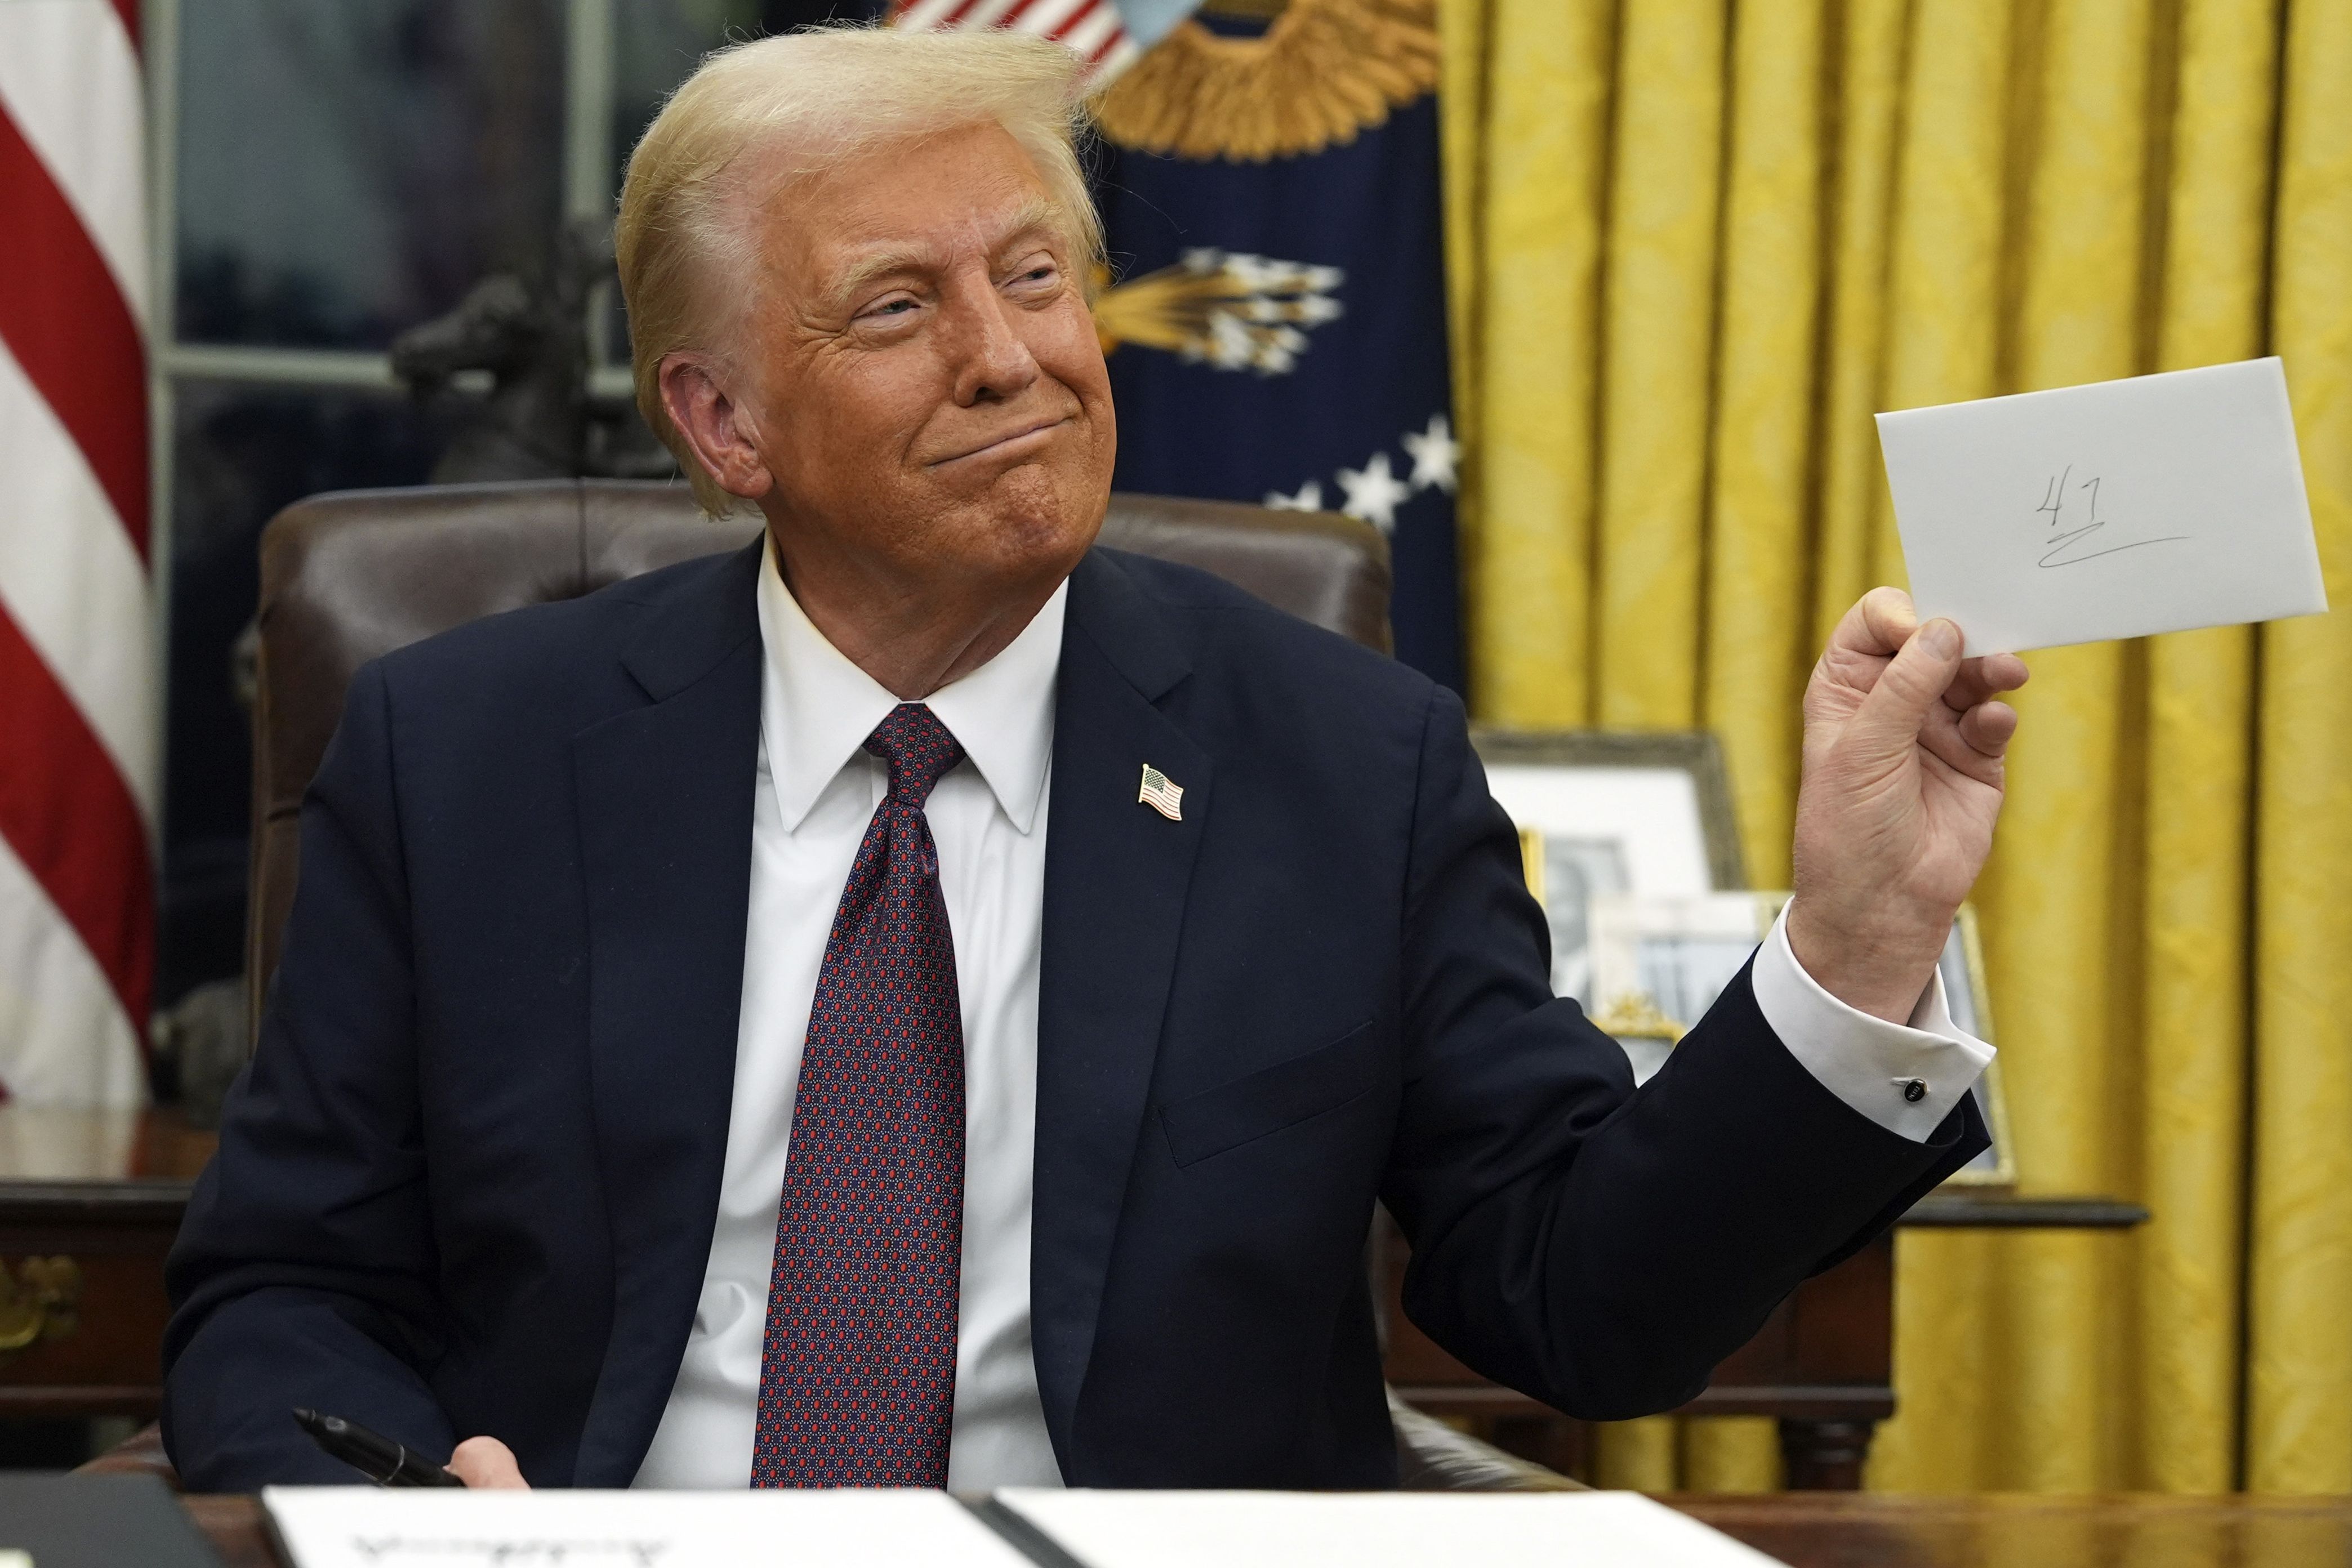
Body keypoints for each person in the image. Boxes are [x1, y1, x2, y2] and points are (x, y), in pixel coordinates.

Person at [161, 26, 2029, 1493]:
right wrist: (414, 1501)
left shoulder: (1346, 767)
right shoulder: (472, 753)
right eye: (900, 305)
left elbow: (1584, 1305)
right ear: (722, 422)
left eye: (1039, 279)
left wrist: (1857, 939)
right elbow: (281, 1297)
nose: (1011, 359)